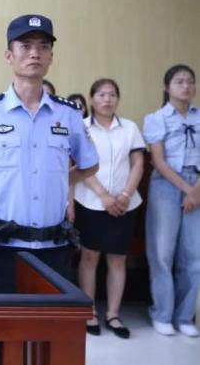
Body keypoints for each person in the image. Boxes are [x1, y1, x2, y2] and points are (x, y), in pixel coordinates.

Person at [0, 15, 99, 364]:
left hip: (53, 248)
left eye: (43, 47)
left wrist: (62, 182)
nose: (35, 53)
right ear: (9, 55)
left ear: (51, 57)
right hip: (0, 247)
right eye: (26, 46)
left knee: (50, 342)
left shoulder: (68, 114)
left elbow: (90, 164)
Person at [74, 79, 145, 339]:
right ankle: (90, 311)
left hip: (126, 204)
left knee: (117, 259)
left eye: (112, 95)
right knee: (89, 257)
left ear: (118, 99)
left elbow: (138, 163)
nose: (107, 99)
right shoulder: (82, 127)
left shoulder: (130, 128)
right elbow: (80, 163)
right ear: (92, 99)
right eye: (102, 95)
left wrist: (125, 195)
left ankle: (113, 314)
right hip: (91, 202)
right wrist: (103, 195)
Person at [143, 64, 200, 337]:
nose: (186, 86)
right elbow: (158, 161)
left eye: (190, 81)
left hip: (197, 185)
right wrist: (188, 191)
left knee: (194, 256)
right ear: (167, 87)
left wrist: (195, 191)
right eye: (179, 81)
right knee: (162, 253)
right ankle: (162, 313)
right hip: (166, 185)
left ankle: (185, 317)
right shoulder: (156, 118)